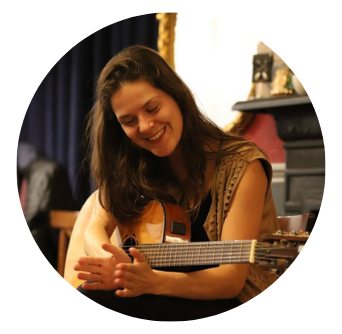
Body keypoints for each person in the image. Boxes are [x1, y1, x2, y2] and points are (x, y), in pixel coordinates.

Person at [73, 45, 279, 321]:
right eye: (129, 120)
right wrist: (111, 259)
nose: (145, 126)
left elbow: (231, 280)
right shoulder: (131, 163)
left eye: (152, 108)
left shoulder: (243, 165)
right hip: (161, 292)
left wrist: (153, 282)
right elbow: (95, 228)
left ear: (177, 96)